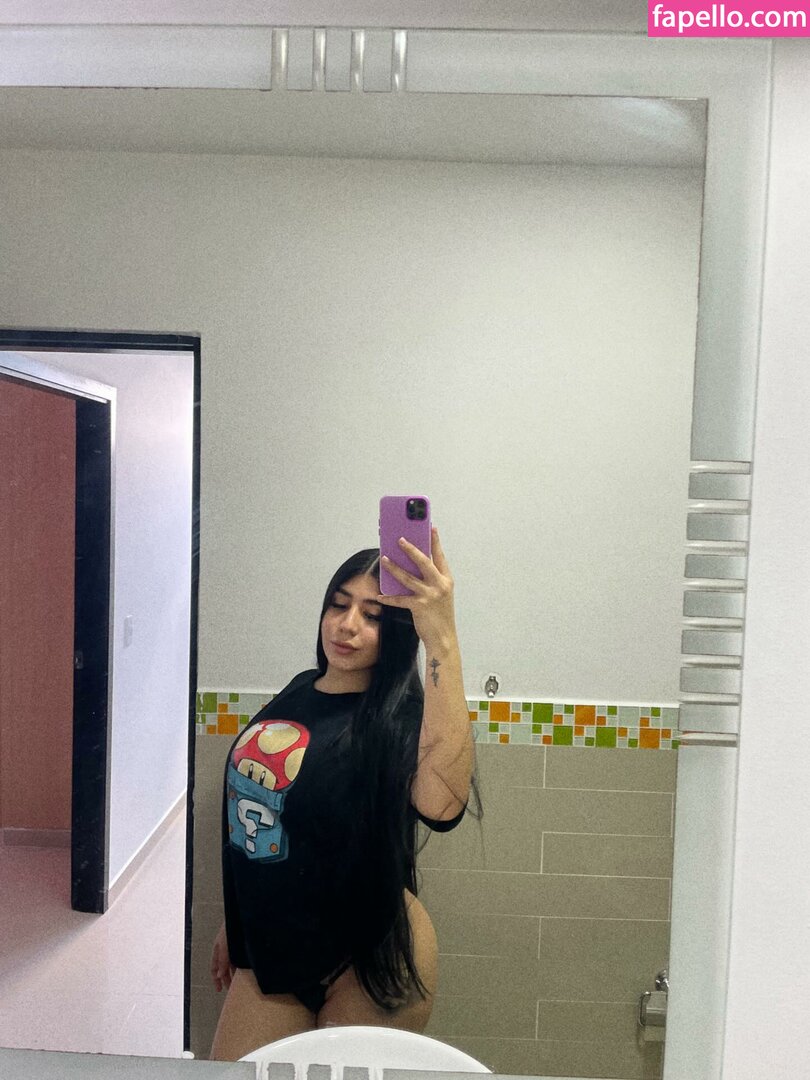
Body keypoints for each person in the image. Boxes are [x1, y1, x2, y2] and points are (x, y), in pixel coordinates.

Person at [209, 528, 477, 1061]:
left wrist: (442, 636)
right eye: (339, 604)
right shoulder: (299, 690)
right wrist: (237, 920)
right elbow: (260, 815)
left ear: (396, 631)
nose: (348, 624)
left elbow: (443, 806)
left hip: (369, 956)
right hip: (272, 950)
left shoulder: (400, 718)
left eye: (372, 615)